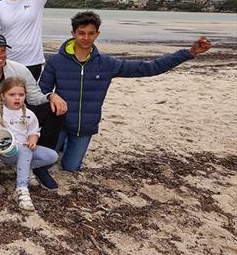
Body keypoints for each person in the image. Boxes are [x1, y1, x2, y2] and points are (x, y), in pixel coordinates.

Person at [40, 11, 212, 172]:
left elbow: (150, 68)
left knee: (70, 168)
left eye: (90, 33)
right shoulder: (56, 61)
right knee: (46, 163)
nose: (86, 37)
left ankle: (69, 148)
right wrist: (52, 95)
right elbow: (42, 90)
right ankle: (61, 144)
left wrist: (189, 53)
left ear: (97, 34)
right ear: (73, 33)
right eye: (81, 33)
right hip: (58, 123)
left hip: (85, 126)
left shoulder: (107, 64)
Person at [0, 33, 67, 167]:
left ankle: (39, 159)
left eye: (3, 51)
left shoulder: (20, 69)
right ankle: (4, 155)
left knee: (54, 108)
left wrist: (51, 96)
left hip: (19, 116)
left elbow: (34, 97)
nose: (0, 55)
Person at [0, 78, 59, 211]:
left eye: (21, 95)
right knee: (25, 150)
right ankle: (21, 189)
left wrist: (33, 141)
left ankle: (24, 167)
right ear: (3, 96)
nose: (17, 98)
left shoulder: (29, 114)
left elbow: (33, 132)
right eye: (12, 95)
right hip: (7, 153)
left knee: (52, 156)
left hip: (25, 149)